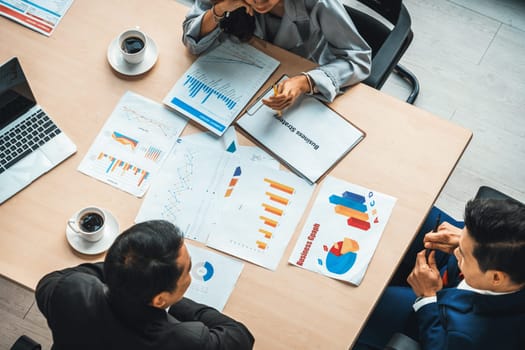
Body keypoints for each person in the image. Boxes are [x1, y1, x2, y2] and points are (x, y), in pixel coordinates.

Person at [36, 220, 255, 350]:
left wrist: (123, 271)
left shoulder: (68, 290)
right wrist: (177, 305)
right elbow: (241, 337)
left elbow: (47, 283)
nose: (191, 272)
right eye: (188, 270)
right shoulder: (185, 340)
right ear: (160, 299)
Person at [355, 198, 525, 349]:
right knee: (407, 213)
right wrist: (464, 239)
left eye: (463, 253)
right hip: (457, 270)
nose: (456, 250)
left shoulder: (472, 336)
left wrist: (427, 298)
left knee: (365, 303)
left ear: (496, 277)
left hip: (436, 317)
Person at [182, 0, 371, 111]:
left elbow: (359, 58)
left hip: (299, 76)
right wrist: (220, 9)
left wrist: (305, 82)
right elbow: (191, 39)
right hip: (243, 79)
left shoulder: (318, 3)